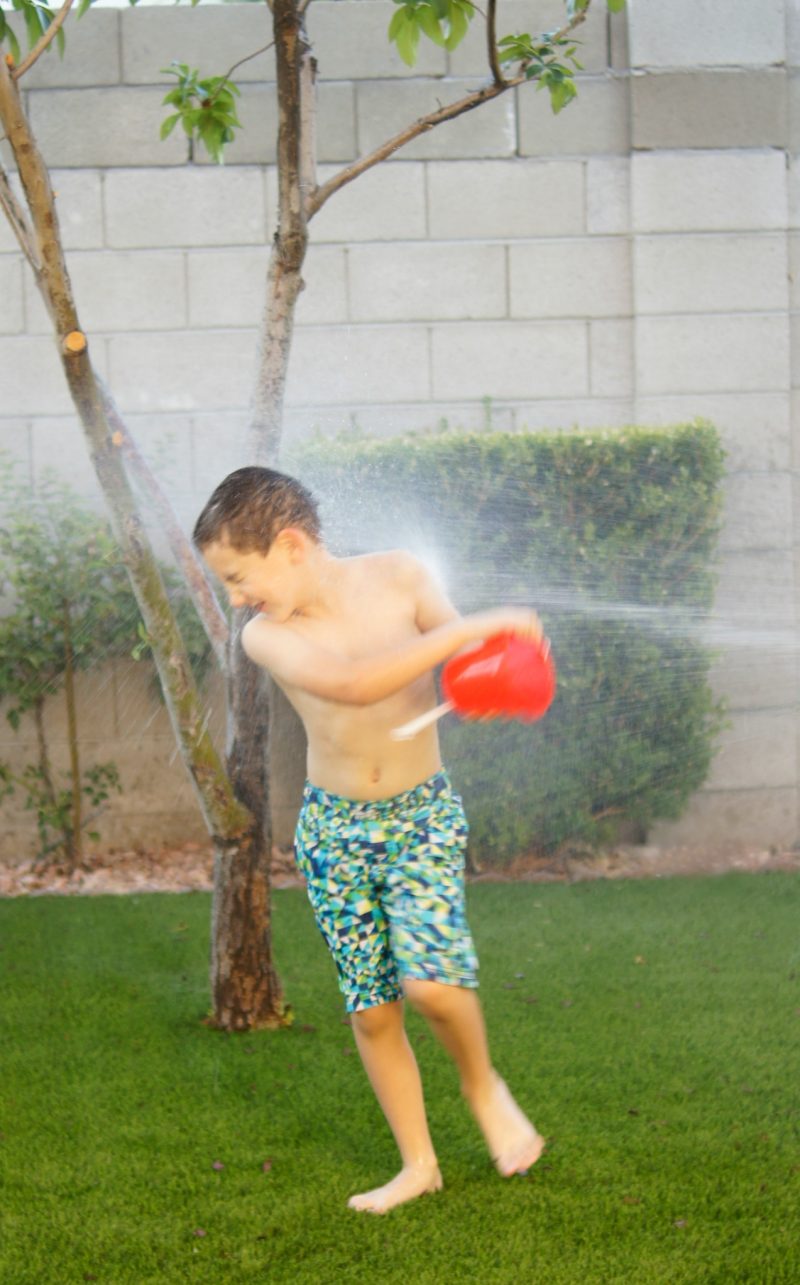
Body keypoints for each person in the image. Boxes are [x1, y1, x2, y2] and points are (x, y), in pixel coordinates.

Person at [193, 466, 545, 1214]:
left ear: (289, 544)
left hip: (420, 818)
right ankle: (419, 1163)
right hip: (335, 831)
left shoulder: (402, 576)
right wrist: (475, 627)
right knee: (373, 1007)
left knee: (431, 983)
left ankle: (483, 1087)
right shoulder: (266, 636)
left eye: (236, 575)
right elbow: (354, 684)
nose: (235, 598)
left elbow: (460, 668)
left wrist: (491, 676)